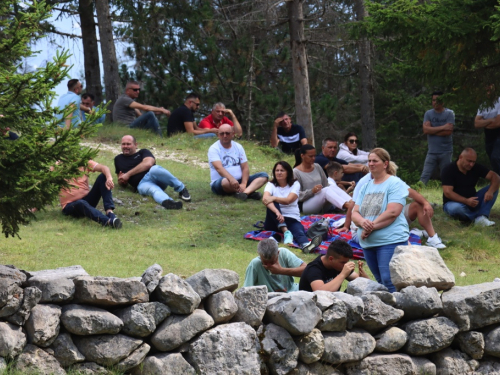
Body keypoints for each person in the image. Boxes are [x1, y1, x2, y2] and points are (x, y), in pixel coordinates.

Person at [351, 148, 410, 292]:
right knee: (380, 281)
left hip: (390, 240)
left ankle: (400, 310)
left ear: (385, 164)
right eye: (369, 161)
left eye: (375, 161)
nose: (371, 164)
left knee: (389, 280)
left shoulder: (395, 184)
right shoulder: (366, 186)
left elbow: (393, 212)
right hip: (368, 242)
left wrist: (368, 227)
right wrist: (362, 223)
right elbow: (355, 212)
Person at [352, 169, 446, 249]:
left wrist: (426, 203)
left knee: (414, 206)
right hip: (370, 223)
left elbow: (410, 194)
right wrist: (349, 225)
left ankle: (432, 237)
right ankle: (408, 243)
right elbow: (353, 208)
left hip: (387, 220)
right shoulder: (365, 184)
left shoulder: (394, 181)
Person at [262, 161, 323, 253]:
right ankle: (285, 231)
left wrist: (274, 197)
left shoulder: (295, 184)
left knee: (299, 232)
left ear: (288, 172)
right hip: (274, 219)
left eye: (282, 170)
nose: (279, 173)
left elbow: (288, 200)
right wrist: (277, 212)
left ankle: (306, 245)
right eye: (277, 170)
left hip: (291, 217)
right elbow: (265, 199)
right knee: (271, 203)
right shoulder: (271, 185)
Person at [114, 135, 190, 209]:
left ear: (135, 145)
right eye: (123, 144)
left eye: (128, 144)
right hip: (141, 184)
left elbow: (148, 164)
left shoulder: (143, 152)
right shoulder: (118, 159)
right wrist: (122, 181)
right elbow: (121, 181)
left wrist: (128, 174)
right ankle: (168, 202)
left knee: (155, 169)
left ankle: (181, 189)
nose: (125, 146)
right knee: (153, 190)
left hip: (156, 177)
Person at [293, 144, 353, 231]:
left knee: (330, 186)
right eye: (310, 156)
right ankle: (349, 207)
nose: (313, 158)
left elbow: (326, 185)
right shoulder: (295, 172)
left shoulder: (317, 166)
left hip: (322, 201)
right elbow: (295, 195)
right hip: (305, 204)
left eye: (314, 156)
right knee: (326, 190)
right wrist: (312, 191)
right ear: (302, 156)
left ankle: (352, 203)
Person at [208, 124, 268, 200]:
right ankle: (249, 193)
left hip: (240, 181)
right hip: (222, 182)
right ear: (218, 135)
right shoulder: (214, 148)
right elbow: (219, 168)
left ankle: (244, 193)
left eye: (227, 133)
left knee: (264, 176)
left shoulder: (238, 147)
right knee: (225, 182)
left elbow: (245, 167)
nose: (225, 135)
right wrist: (231, 179)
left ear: (233, 134)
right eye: (222, 133)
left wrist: (243, 183)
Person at [442, 148, 500, 226]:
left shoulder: (475, 167)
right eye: (469, 161)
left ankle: (481, 217)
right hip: (453, 203)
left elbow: (496, 177)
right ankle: (476, 217)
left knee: (494, 188)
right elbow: (448, 192)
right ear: (460, 157)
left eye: (473, 162)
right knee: (456, 209)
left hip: (473, 200)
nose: (471, 164)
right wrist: (466, 201)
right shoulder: (449, 169)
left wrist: (490, 192)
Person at [59, 159, 122, 229]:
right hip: (70, 205)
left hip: (87, 200)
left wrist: (109, 178)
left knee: (103, 176)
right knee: (81, 203)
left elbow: (104, 168)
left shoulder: (84, 162)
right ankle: (108, 221)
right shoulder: (59, 164)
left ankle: (109, 212)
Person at [299, 240, 367, 292]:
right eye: (343, 262)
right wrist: (342, 275)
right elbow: (320, 293)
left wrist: (362, 276)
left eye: (347, 262)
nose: (345, 265)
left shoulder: (338, 265)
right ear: (331, 259)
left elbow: (361, 283)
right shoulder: (314, 269)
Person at [420, 91, 455, 184]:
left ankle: (449, 194)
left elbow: (448, 131)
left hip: (446, 151)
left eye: (437, 100)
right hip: (431, 152)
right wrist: (443, 127)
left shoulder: (449, 113)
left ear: (443, 101)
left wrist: (432, 130)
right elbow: (426, 130)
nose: (435, 102)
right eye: (433, 100)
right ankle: (417, 194)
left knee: (447, 175)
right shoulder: (428, 114)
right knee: (424, 175)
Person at [474, 90, 500, 175]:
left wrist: (484, 122)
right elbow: (477, 123)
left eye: (490, 86)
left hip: (498, 136)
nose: (488, 90)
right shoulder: (483, 105)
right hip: (489, 138)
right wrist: (491, 120)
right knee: (493, 162)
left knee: (495, 158)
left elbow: (498, 123)